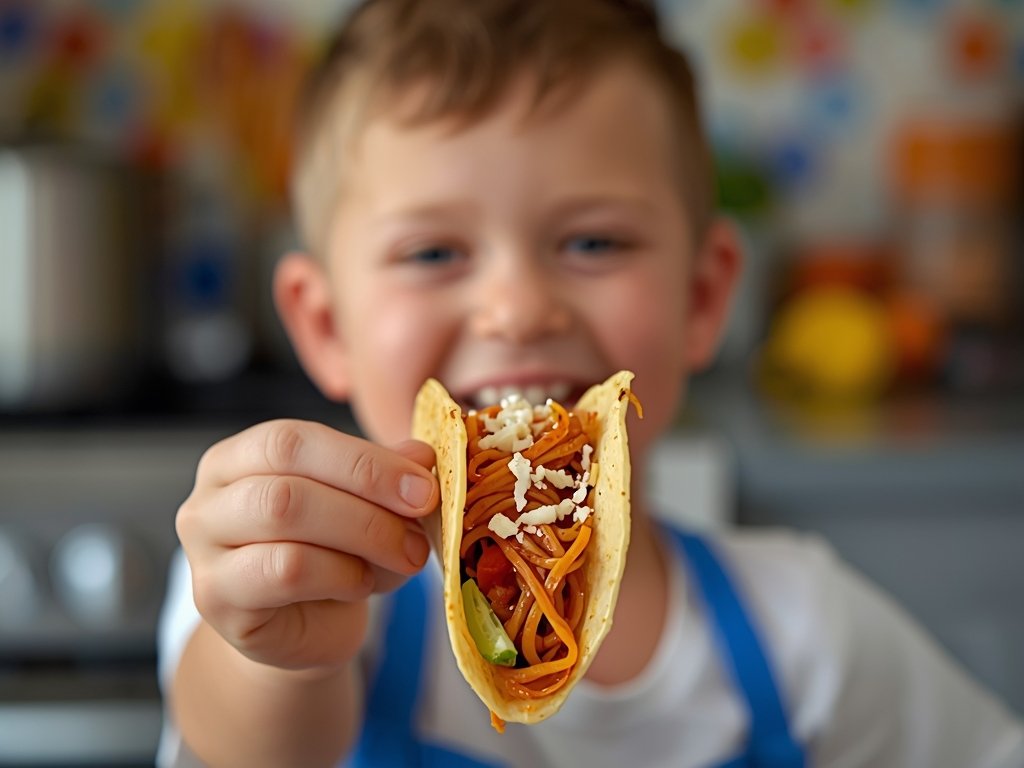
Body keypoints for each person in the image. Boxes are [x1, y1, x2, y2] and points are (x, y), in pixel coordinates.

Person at [157, 1, 1024, 766]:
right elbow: (250, 745)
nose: (518, 309)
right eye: (433, 253)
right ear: (322, 324)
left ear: (702, 295)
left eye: (593, 243)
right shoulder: (318, 584)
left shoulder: (807, 633)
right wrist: (276, 653)